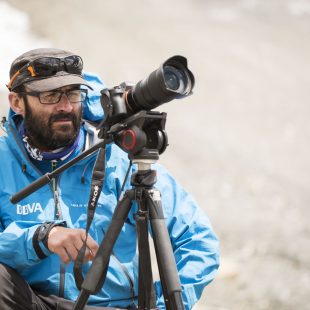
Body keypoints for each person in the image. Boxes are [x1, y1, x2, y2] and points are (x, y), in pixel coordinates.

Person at [0, 48, 219, 310]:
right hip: (37, 301)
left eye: (72, 94)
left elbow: (198, 239)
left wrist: (165, 305)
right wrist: (39, 238)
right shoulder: (3, 159)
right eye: (50, 96)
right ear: (16, 102)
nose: (66, 107)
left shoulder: (118, 157)